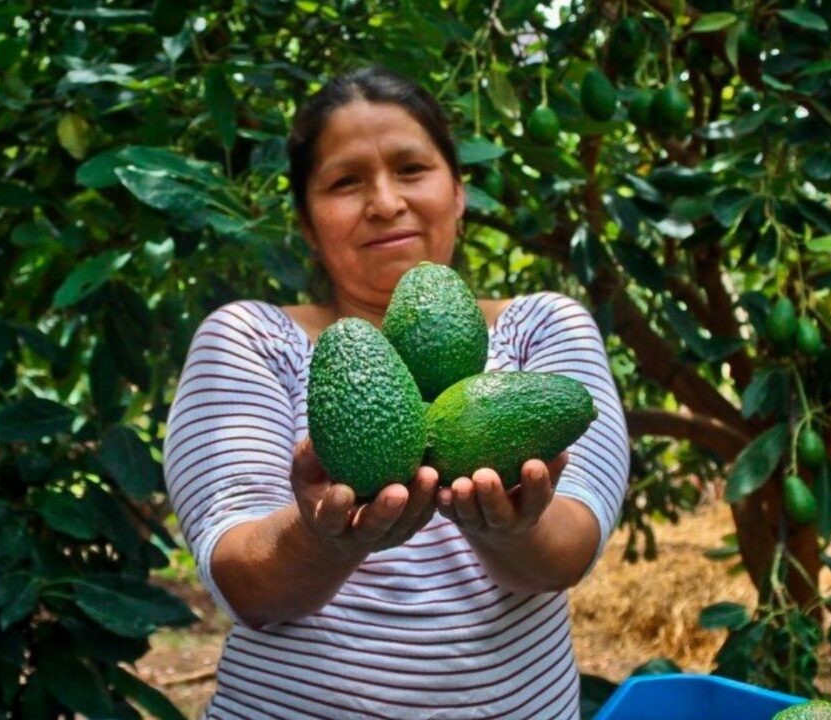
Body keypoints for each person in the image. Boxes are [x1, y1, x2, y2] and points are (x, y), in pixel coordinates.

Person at [162, 66, 630, 719]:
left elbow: (567, 552)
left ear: (459, 192)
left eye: (411, 168)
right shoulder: (250, 339)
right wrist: (324, 539)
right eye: (346, 181)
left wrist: (512, 529)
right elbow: (246, 584)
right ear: (305, 220)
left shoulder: (544, 328)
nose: (385, 201)